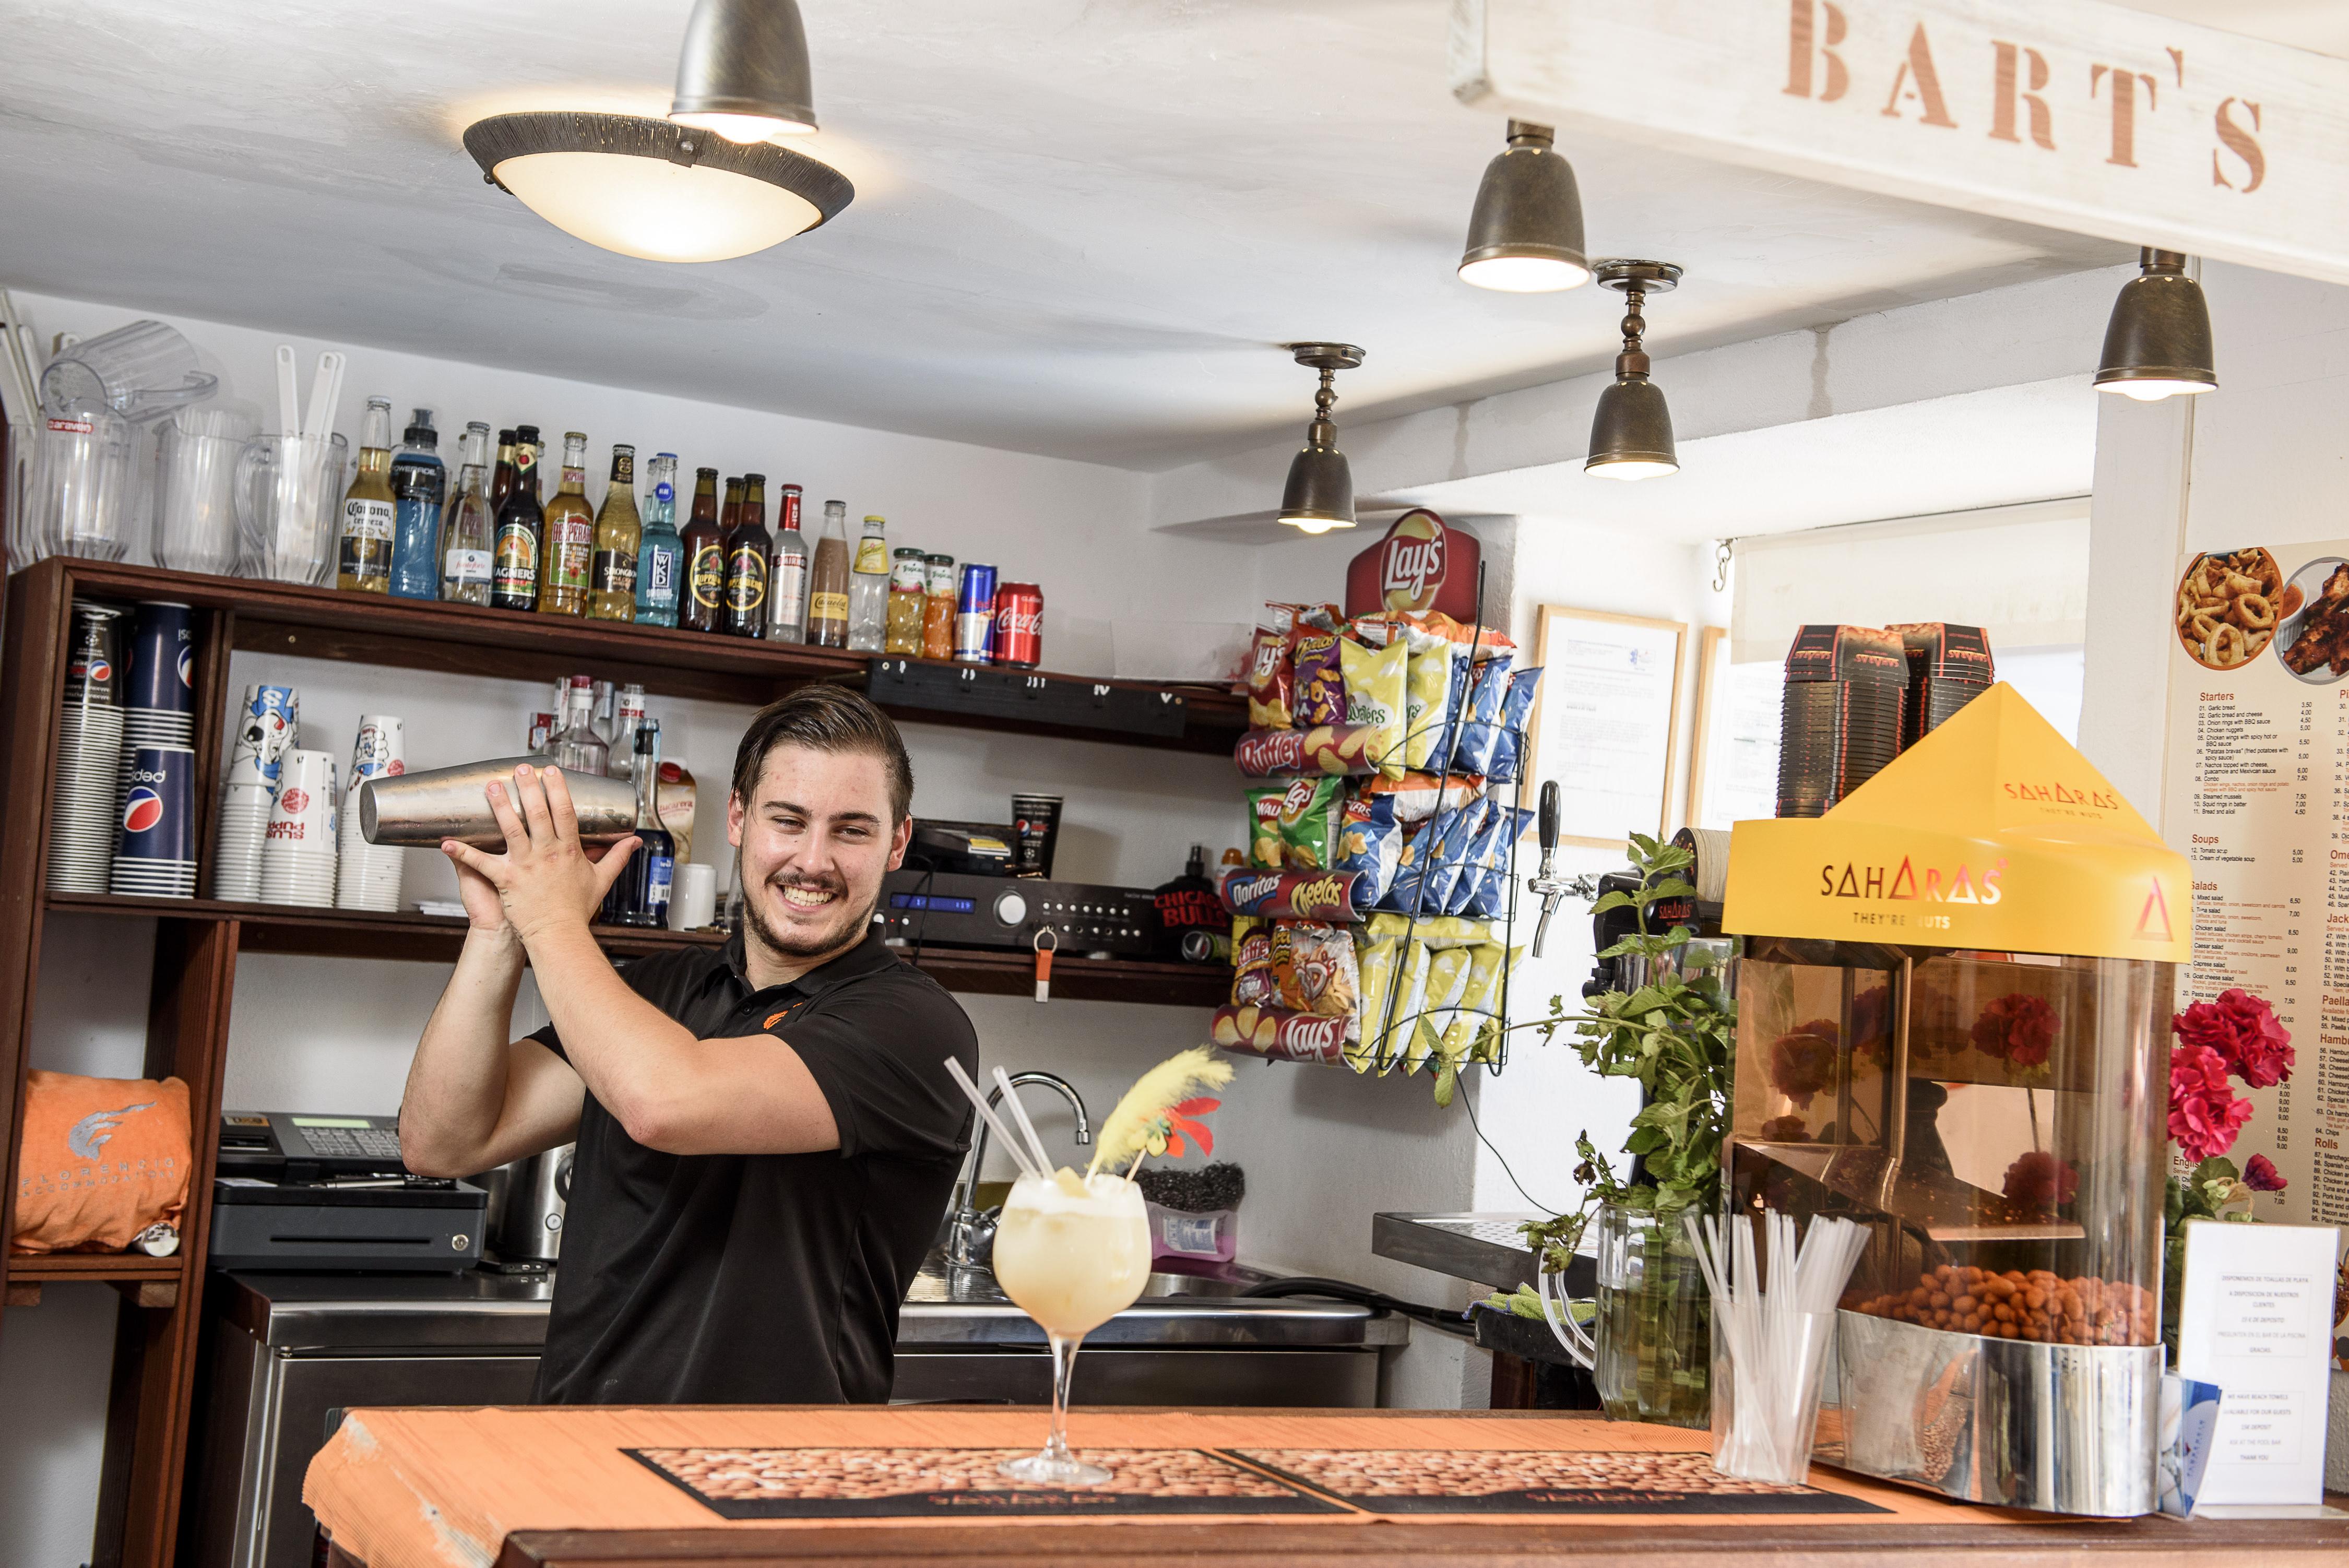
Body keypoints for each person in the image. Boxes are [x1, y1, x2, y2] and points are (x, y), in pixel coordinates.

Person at [398, 685, 978, 1405]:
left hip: (767, 1485)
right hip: (582, 1457)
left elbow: (665, 1102)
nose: (813, 860)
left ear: (897, 843)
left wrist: (552, 923)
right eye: (788, 820)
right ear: (738, 819)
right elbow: (444, 1142)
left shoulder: (914, 1028)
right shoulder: (657, 990)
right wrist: (499, 933)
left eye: (852, 831)